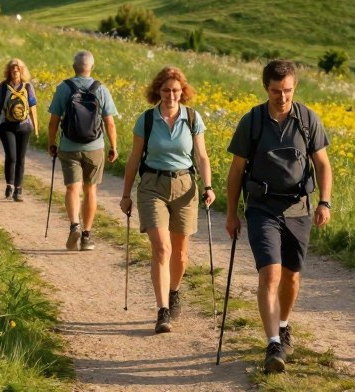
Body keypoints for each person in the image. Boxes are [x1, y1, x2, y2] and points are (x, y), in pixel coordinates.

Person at [225, 59, 332, 374]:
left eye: (287, 91)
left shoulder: (308, 120)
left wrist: (324, 202)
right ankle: (273, 342)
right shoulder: (253, 121)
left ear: (294, 87)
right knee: (269, 274)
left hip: (298, 209)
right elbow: (236, 171)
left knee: (291, 276)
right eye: (275, 91)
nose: (282, 97)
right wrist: (231, 213)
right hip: (262, 208)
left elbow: (323, 165)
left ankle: (283, 325)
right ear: (265, 88)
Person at [120, 67, 216, 334]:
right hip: (152, 186)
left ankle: (174, 292)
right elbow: (133, 159)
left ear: (182, 92)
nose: (171, 95)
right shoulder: (147, 120)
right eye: (165, 90)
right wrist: (126, 194)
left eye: (175, 90)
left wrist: (208, 186)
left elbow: (202, 157)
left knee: (181, 253)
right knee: (162, 249)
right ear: (157, 92)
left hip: (185, 186)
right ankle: (162, 310)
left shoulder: (193, 118)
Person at [47, 50, 118, 251]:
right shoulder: (100, 89)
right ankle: (86, 236)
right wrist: (113, 146)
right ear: (91, 68)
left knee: (72, 188)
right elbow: (110, 123)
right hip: (94, 147)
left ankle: (74, 225)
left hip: (69, 146)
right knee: (90, 190)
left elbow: (53, 122)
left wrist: (52, 143)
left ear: (74, 67)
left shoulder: (64, 88)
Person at [0, 58, 38, 202]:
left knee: (21, 159)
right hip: (7, 125)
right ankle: (9, 185)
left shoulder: (28, 87)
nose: (15, 72)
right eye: (12, 69)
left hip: (24, 126)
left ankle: (19, 189)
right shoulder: (3, 87)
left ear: (22, 71)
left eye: (17, 70)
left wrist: (36, 127)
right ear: (9, 71)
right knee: (11, 157)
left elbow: (32, 108)